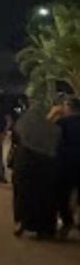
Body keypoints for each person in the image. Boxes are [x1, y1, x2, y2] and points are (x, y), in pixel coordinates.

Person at [13, 100, 62, 238]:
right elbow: (56, 145)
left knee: (23, 195)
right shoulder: (54, 129)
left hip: (24, 163)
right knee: (44, 196)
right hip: (45, 166)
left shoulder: (24, 124)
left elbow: (16, 137)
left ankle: (22, 222)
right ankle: (43, 228)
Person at [55, 97, 80, 237]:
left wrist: (53, 114)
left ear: (69, 107)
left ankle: (67, 222)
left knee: (62, 196)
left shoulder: (62, 122)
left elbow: (49, 135)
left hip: (66, 164)